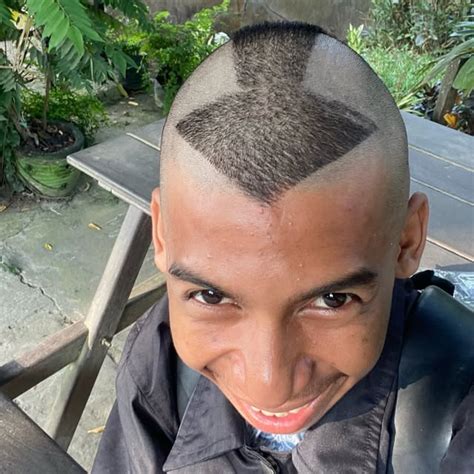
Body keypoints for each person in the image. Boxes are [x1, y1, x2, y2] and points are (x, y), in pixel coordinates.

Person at [92, 22, 474, 473]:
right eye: (211, 296)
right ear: (162, 235)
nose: (268, 386)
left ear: (406, 241)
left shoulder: (457, 409)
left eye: (332, 300)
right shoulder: (158, 361)